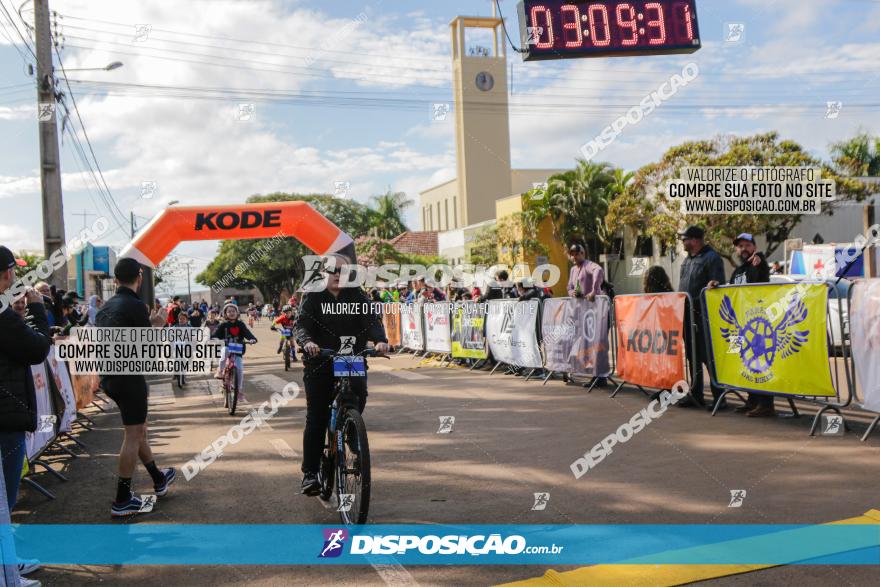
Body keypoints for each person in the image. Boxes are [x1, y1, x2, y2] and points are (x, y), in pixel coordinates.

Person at [294, 254, 389, 496]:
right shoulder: (313, 296)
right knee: (316, 416)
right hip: (320, 360)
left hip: (349, 356)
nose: (338, 274)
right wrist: (308, 342)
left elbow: (372, 320)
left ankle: (350, 426)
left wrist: (379, 341)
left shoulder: (356, 295)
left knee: (359, 393)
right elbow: (301, 325)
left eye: (343, 271)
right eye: (333, 270)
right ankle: (310, 473)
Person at [96, 258, 176, 517]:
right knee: (132, 435)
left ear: (116, 280)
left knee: (139, 429)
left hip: (109, 376)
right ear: (139, 277)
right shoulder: (135, 305)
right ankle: (121, 499)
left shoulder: (105, 307)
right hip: (128, 378)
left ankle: (158, 478)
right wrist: (158, 326)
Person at [0, 246, 51, 527]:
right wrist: (38, 310)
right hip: (6, 419)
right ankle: (7, 569)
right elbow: (37, 349)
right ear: (7, 273)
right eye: (14, 270)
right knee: (4, 500)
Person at [708, 233, 774, 417]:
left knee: (760, 361)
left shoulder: (759, 263)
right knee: (744, 361)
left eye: (747, 245)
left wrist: (759, 265)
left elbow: (763, 281)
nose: (743, 249)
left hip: (757, 325)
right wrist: (717, 286)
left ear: (754, 246)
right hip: (740, 325)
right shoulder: (737, 271)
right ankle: (752, 400)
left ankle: (766, 404)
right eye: (740, 246)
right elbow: (732, 294)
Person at [677, 226, 726, 409]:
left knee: (708, 357)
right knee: (692, 356)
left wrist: (715, 284)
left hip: (703, 316)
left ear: (695, 240)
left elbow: (718, 284)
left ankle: (720, 397)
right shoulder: (687, 260)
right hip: (687, 315)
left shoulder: (712, 258)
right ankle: (696, 394)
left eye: (685, 239)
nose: (683, 242)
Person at [211, 303, 258, 397]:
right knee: (224, 352)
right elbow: (215, 334)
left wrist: (252, 339)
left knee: (240, 369)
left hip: (238, 350)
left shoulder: (240, 324)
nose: (231, 313)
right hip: (227, 347)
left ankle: (239, 390)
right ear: (225, 314)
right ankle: (220, 371)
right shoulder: (223, 324)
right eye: (229, 311)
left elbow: (247, 333)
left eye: (233, 311)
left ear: (237, 313)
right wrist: (214, 338)